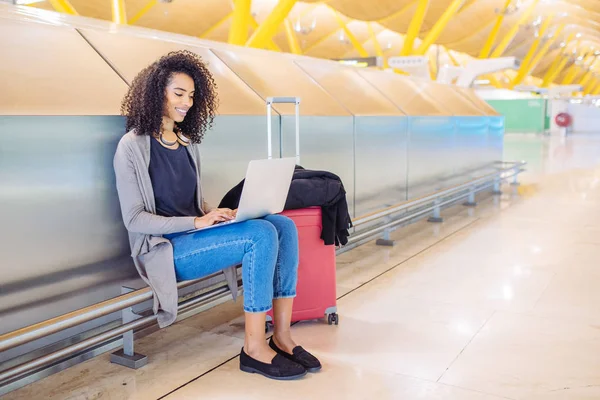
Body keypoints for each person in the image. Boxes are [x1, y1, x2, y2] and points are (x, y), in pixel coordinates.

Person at [113, 50, 320, 380]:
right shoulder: (132, 146)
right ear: (157, 93)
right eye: (178, 93)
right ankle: (253, 348)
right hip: (165, 249)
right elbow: (134, 219)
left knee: (281, 224)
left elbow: (189, 201)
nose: (187, 102)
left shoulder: (185, 142)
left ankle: (281, 336)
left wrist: (216, 213)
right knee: (260, 234)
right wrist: (197, 222)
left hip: (196, 236)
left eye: (192, 95)